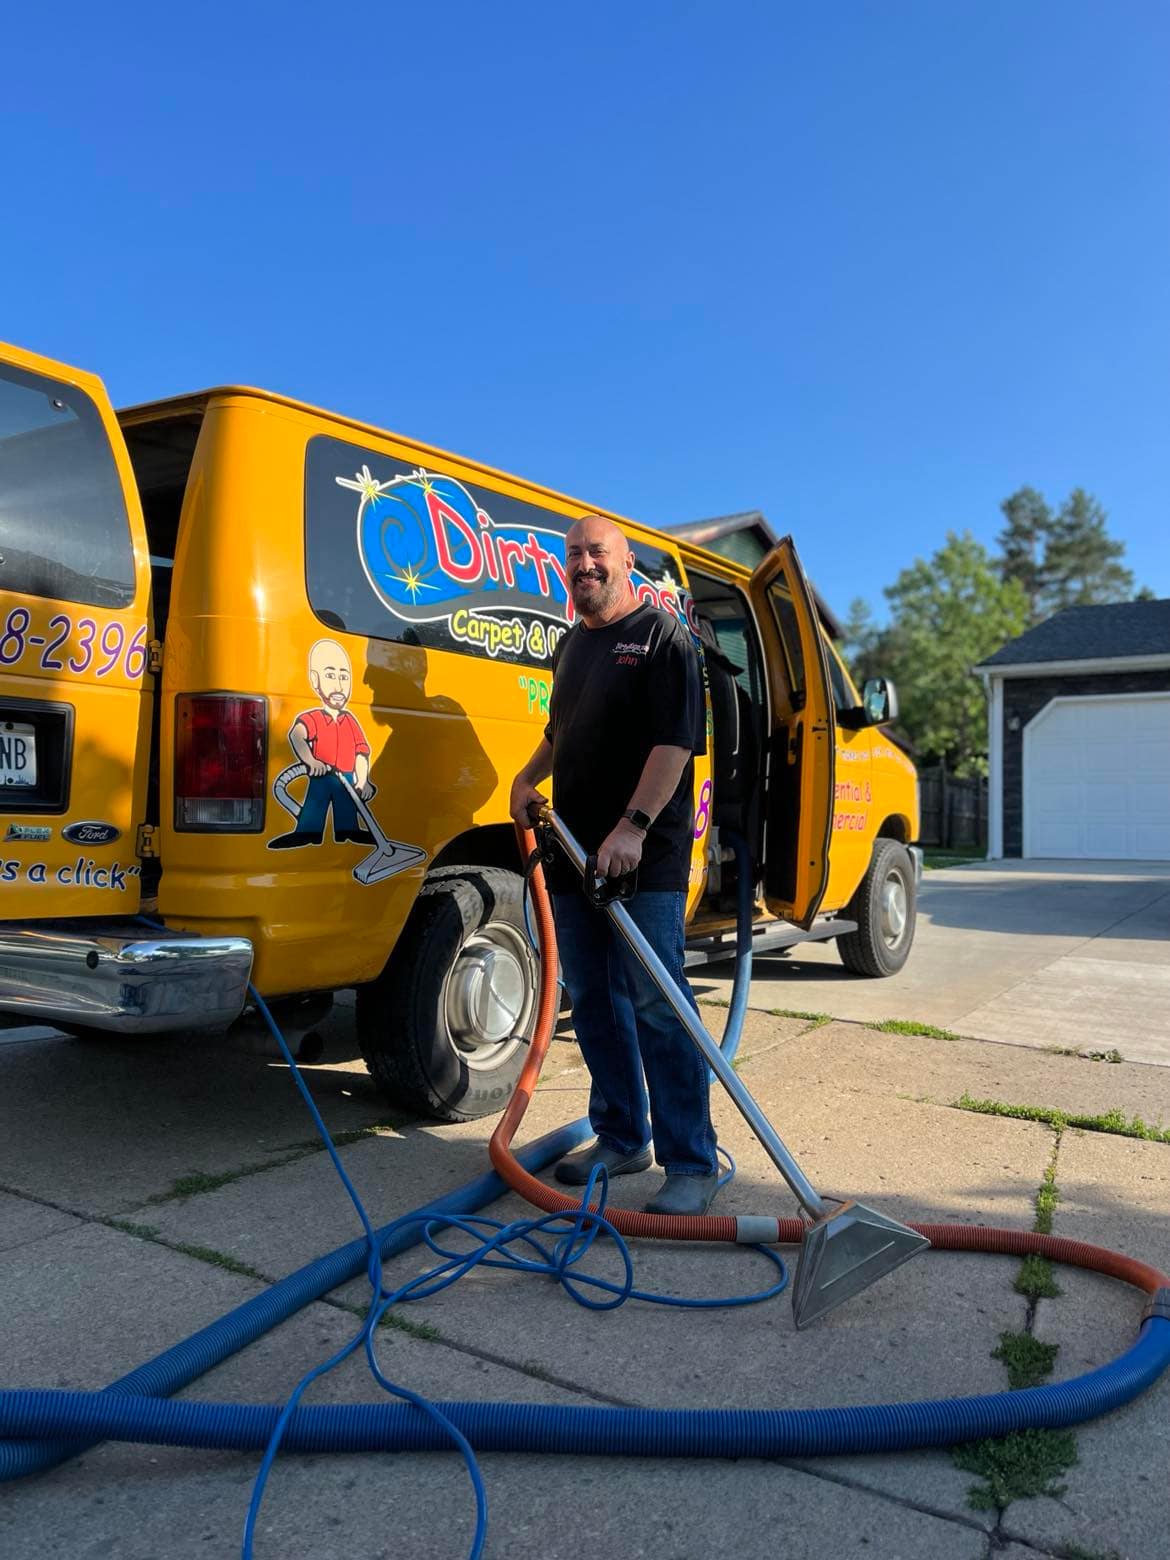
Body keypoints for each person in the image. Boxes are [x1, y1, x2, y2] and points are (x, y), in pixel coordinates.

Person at [509, 514, 718, 1216]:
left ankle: (691, 1160)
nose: (584, 563)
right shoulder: (573, 645)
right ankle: (623, 1137)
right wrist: (527, 777)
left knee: (659, 1004)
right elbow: (559, 730)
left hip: (641, 855)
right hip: (573, 849)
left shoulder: (663, 638)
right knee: (594, 999)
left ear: (626, 562)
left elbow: (675, 743)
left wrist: (632, 826)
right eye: (573, 555)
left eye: (597, 552)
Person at [269, 639, 376, 849]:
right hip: (321, 774)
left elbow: (361, 753)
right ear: (314, 680)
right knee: (313, 809)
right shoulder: (314, 718)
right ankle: (307, 833)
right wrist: (310, 760)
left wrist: (362, 781)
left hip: (345, 776)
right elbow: (296, 735)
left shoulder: (350, 721)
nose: (338, 685)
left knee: (347, 809)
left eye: (344, 677)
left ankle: (349, 832)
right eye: (330, 675)